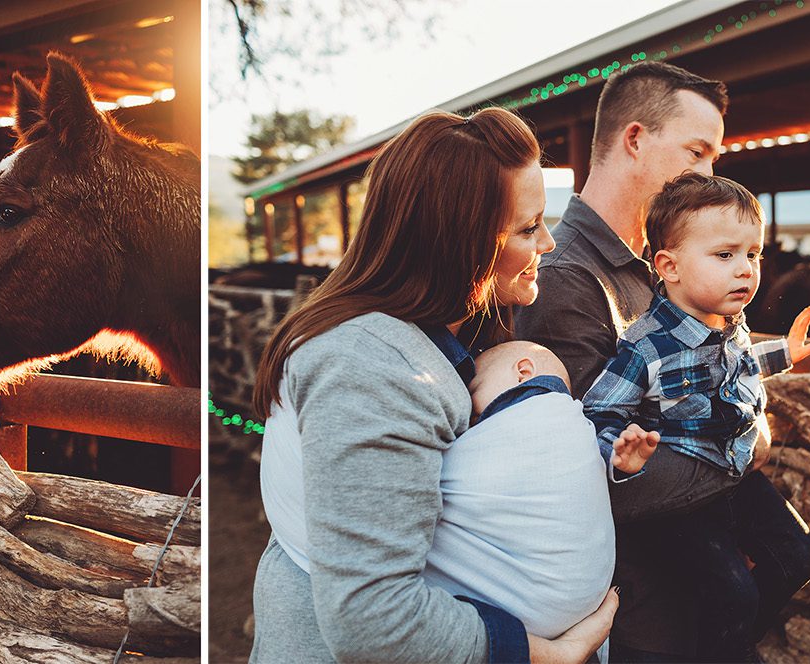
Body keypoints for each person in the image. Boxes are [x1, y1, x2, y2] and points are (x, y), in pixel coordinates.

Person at [250, 107, 617, 664]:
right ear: (459, 241)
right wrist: (549, 654)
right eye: (527, 227)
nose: (547, 242)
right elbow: (374, 619)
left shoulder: (438, 341)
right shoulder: (368, 366)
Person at [510, 60, 735, 661]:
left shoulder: (657, 268)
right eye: (696, 151)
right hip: (631, 602)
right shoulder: (566, 278)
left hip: (677, 569)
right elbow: (595, 470)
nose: (709, 174)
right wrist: (740, 451)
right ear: (635, 139)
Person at [580, 173, 810, 662]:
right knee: (735, 591)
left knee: (800, 556)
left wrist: (784, 355)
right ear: (669, 266)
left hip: (735, 474)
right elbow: (600, 410)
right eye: (725, 255)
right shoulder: (644, 345)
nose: (746, 270)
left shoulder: (730, 324)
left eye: (753, 254)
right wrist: (619, 453)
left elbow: (741, 366)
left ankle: (725, 646)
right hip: (681, 500)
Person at [418, 341, 658, 662]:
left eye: (473, 388)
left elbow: (442, 483)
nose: (470, 415)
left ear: (523, 372)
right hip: (578, 607)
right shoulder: (575, 426)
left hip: (517, 615)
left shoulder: (544, 416)